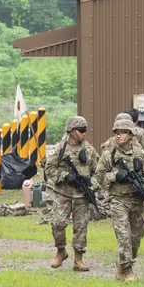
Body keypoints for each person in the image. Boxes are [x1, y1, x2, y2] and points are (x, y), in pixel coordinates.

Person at [95, 117, 144, 281]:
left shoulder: (139, 154)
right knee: (124, 236)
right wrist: (116, 176)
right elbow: (99, 176)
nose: (118, 135)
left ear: (131, 135)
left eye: (122, 132)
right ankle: (126, 270)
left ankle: (123, 262)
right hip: (118, 200)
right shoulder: (109, 154)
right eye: (116, 132)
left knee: (137, 236)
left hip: (136, 201)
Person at [45, 115, 99, 271]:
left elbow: (98, 171)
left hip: (82, 196)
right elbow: (49, 169)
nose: (84, 133)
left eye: (85, 130)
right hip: (63, 193)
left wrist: (91, 185)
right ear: (71, 131)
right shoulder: (60, 149)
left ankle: (78, 259)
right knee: (57, 224)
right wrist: (64, 176)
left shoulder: (88, 150)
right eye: (81, 130)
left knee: (81, 227)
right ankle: (61, 251)